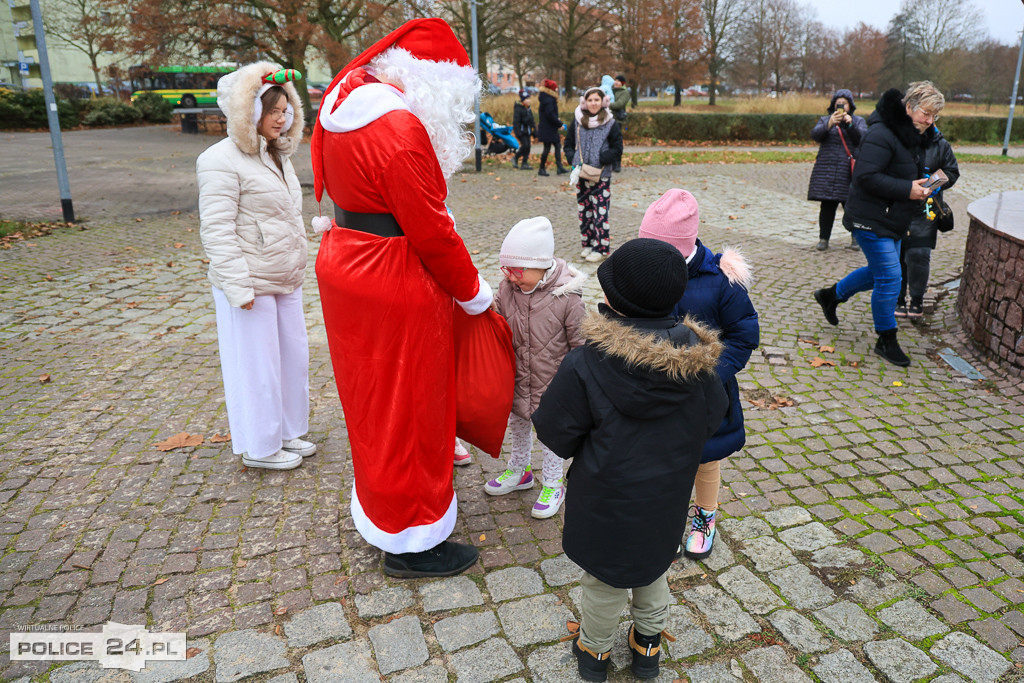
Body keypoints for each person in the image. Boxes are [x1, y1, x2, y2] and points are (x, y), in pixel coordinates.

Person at [311, 18, 498, 577]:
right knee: (412, 409)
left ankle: (382, 510)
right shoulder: (397, 127)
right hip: (395, 279)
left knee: (373, 404)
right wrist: (474, 294)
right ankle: (414, 541)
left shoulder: (346, 101)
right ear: (433, 81)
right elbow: (433, 231)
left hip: (349, 264)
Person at [533, 238, 728, 682]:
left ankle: (594, 652)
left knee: (603, 582)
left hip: (605, 501)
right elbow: (712, 418)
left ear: (612, 301)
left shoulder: (585, 364)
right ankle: (647, 646)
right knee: (653, 568)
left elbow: (555, 434)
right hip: (664, 497)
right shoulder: (696, 367)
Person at [197, 63, 315, 471]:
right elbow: (217, 230)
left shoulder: (276, 154)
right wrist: (238, 286)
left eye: (286, 110)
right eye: (273, 111)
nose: (282, 118)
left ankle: (286, 431)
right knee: (257, 366)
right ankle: (259, 446)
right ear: (248, 112)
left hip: (283, 277)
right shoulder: (219, 160)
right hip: (251, 281)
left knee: (291, 358)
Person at [638, 189, 759, 560]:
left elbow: (744, 335)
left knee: (706, 458)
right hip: (657, 389)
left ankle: (705, 516)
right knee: (662, 458)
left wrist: (710, 372)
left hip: (705, 393)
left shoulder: (721, 281)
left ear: (678, 249)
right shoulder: (645, 270)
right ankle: (667, 519)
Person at [813, 82, 943, 368]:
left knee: (878, 273)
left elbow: (906, 171)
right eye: (926, 113)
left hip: (891, 217)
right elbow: (865, 176)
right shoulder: (881, 133)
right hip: (868, 218)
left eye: (935, 116)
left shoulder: (913, 135)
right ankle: (886, 339)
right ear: (909, 108)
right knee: (891, 278)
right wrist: (907, 189)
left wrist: (925, 184)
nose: (930, 121)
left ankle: (830, 295)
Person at [485, 216, 586, 519]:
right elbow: (496, 324)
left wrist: (577, 385)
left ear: (540, 265)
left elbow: (581, 345)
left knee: (551, 437)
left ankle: (554, 483)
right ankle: (520, 470)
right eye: (507, 270)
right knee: (517, 427)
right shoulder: (506, 290)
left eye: (517, 270)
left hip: (554, 385)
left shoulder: (568, 298)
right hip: (518, 378)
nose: (511, 277)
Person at [896, 128, 959, 318]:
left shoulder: (940, 144)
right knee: (898, 253)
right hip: (899, 203)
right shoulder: (896, 137)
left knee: (919, 254)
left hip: (927, 207)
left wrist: (930, 185)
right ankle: (897, 299)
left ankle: (916, 299)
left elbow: (951, 171)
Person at [564, 86, 624, 263]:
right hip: (581, 173)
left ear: (603, 102)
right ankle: (588, 244)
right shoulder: (578, 120)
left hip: (601, 174)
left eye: (596, 100)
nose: (593, 103)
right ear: (584, 102)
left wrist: (602, 158)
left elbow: (617, 148)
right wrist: (571, 158)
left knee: (600, 212)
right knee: (584, 211)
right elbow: (568, 143)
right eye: (590, 100)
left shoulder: (611, 123)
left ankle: (601, 247)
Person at [807, 88, 867, 250]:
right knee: (827, 206)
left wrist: (850, 124)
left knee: (852, 206)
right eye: (838, 103)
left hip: (849, 171)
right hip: (827, 169)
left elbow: (862, 138)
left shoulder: (858, 121)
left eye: (844, 103)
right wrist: (829, 124)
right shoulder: (826, 120)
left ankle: (856, 239)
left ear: (850, 105)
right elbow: (815, 135)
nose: (841, 106)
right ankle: (824, 239)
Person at [537, 78, 569, 177]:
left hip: (548, 127)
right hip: (548, 128)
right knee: (547, 147)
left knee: (557, 145)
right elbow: (550, 114)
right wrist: (559, 123)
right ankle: (542, 168)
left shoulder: (546, 98)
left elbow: (550, 114)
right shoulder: (549, 100)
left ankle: (559, 167)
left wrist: (557, 121)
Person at [609, 75, 630, 173]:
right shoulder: (610, 90)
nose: (616, 82)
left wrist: (606, 104)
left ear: (622, 83)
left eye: (619, 81)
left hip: (617, 121)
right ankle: (610, 162)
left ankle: (617, 163)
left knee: (617, 142)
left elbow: (619, 104)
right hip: (607, 120)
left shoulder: (624, 93)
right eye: (615, 80)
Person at [512, 90, 535, 170]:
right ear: (522, 101)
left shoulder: (528, 108)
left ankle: (524, 163)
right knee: (525, 145)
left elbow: (532, 120)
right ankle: (515, 157)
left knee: (528, 146)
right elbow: (516, 121)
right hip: (521, 131)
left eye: (528, 98)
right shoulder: (518, 109)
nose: (528, 101)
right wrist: (517, 132)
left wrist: (534, 131)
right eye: (526, 99)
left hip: (527, 131)